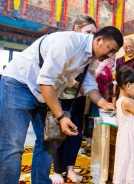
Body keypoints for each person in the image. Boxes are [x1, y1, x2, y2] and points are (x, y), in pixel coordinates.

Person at [0, 26, 123, 184]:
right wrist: (61, 116)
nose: (110, 55)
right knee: (12, 145)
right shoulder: (67, 43)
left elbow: (88, 83)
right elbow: (45, 80)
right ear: (99, 40)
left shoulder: (92, 57)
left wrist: (103, 102)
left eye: (114, 52)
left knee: (49, 141)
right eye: (110, 49)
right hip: (19, 84)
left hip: (45, 93)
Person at [50, 15, 97, 184]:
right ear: (77, 29)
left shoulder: (90, 52)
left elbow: (90, 76)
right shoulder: (67, 45)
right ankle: (56, 170)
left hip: (78, 97)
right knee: (58, 133)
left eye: (94, 33)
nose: (91, 36)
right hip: (60, 96)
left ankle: (70, 168)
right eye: (88, 32)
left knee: (76, 134)